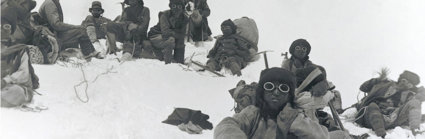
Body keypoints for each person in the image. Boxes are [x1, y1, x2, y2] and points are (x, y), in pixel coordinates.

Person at [214, 68, 351, 139]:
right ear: (262, 91)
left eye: (283, 88)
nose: (276, 92)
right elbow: (227, 125)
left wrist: (295, 122)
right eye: (269, 86)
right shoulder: (254, 112)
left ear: (289, 95)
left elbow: (321, 137)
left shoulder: (295, 114)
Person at [354, 70, 422, 137]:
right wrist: (378, 80)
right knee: (372, 106)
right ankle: (382, 135)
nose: (407, 85)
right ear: (401, 80)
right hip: (370, 115)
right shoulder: (385, 84)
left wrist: (419, 90)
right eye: (405, 81)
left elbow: (419, 100)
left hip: (391, 117)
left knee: (415, 102)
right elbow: (363, 87)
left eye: (411, 85)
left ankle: (416, 131)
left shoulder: (409, 94)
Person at [1, 4, 39, 107]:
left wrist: (5, 81)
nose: (1, 30)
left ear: (12, 30)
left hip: (12, 85)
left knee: (17, 92)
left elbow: (24, 74)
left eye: (6, 26)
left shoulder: (20, 49)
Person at [38, 0, 103, 60]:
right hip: (51, 38)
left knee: (80, 31)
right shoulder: (50, 4)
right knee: (81, 31)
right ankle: (89, 55)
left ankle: (91, 53)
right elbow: (56, 25)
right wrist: (74, 27)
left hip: (53, 36)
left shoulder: (51, 2)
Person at [148, 0, 189, 64]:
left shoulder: (185, 19)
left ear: (182, 8)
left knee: (180, 42)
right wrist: (177, 33)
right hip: (155, 36)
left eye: (179, 6)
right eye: (174, 6)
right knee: (171, 39)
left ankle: (179, 62)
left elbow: (183, 35)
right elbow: (166, 33)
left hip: (169, 37)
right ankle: (168, 63)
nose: (176, 8)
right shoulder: (164, 14)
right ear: (170, 6)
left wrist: (174, 33)